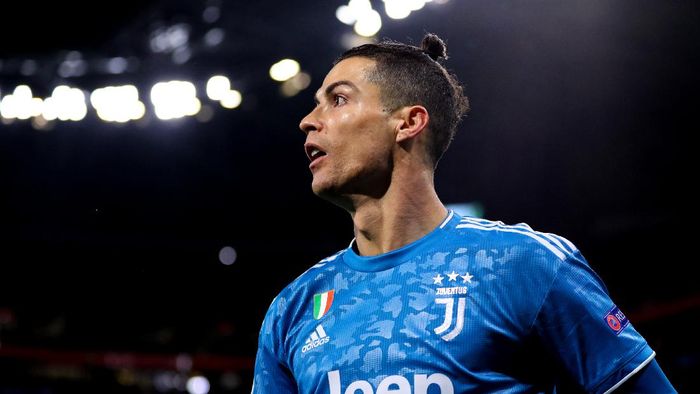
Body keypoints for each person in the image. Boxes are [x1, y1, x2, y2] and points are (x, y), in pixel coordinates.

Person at [252, 33, 676, 393]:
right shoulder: (294, 307)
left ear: (408, 122)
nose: (308, 121)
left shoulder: (525, 264)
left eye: (338, 99)